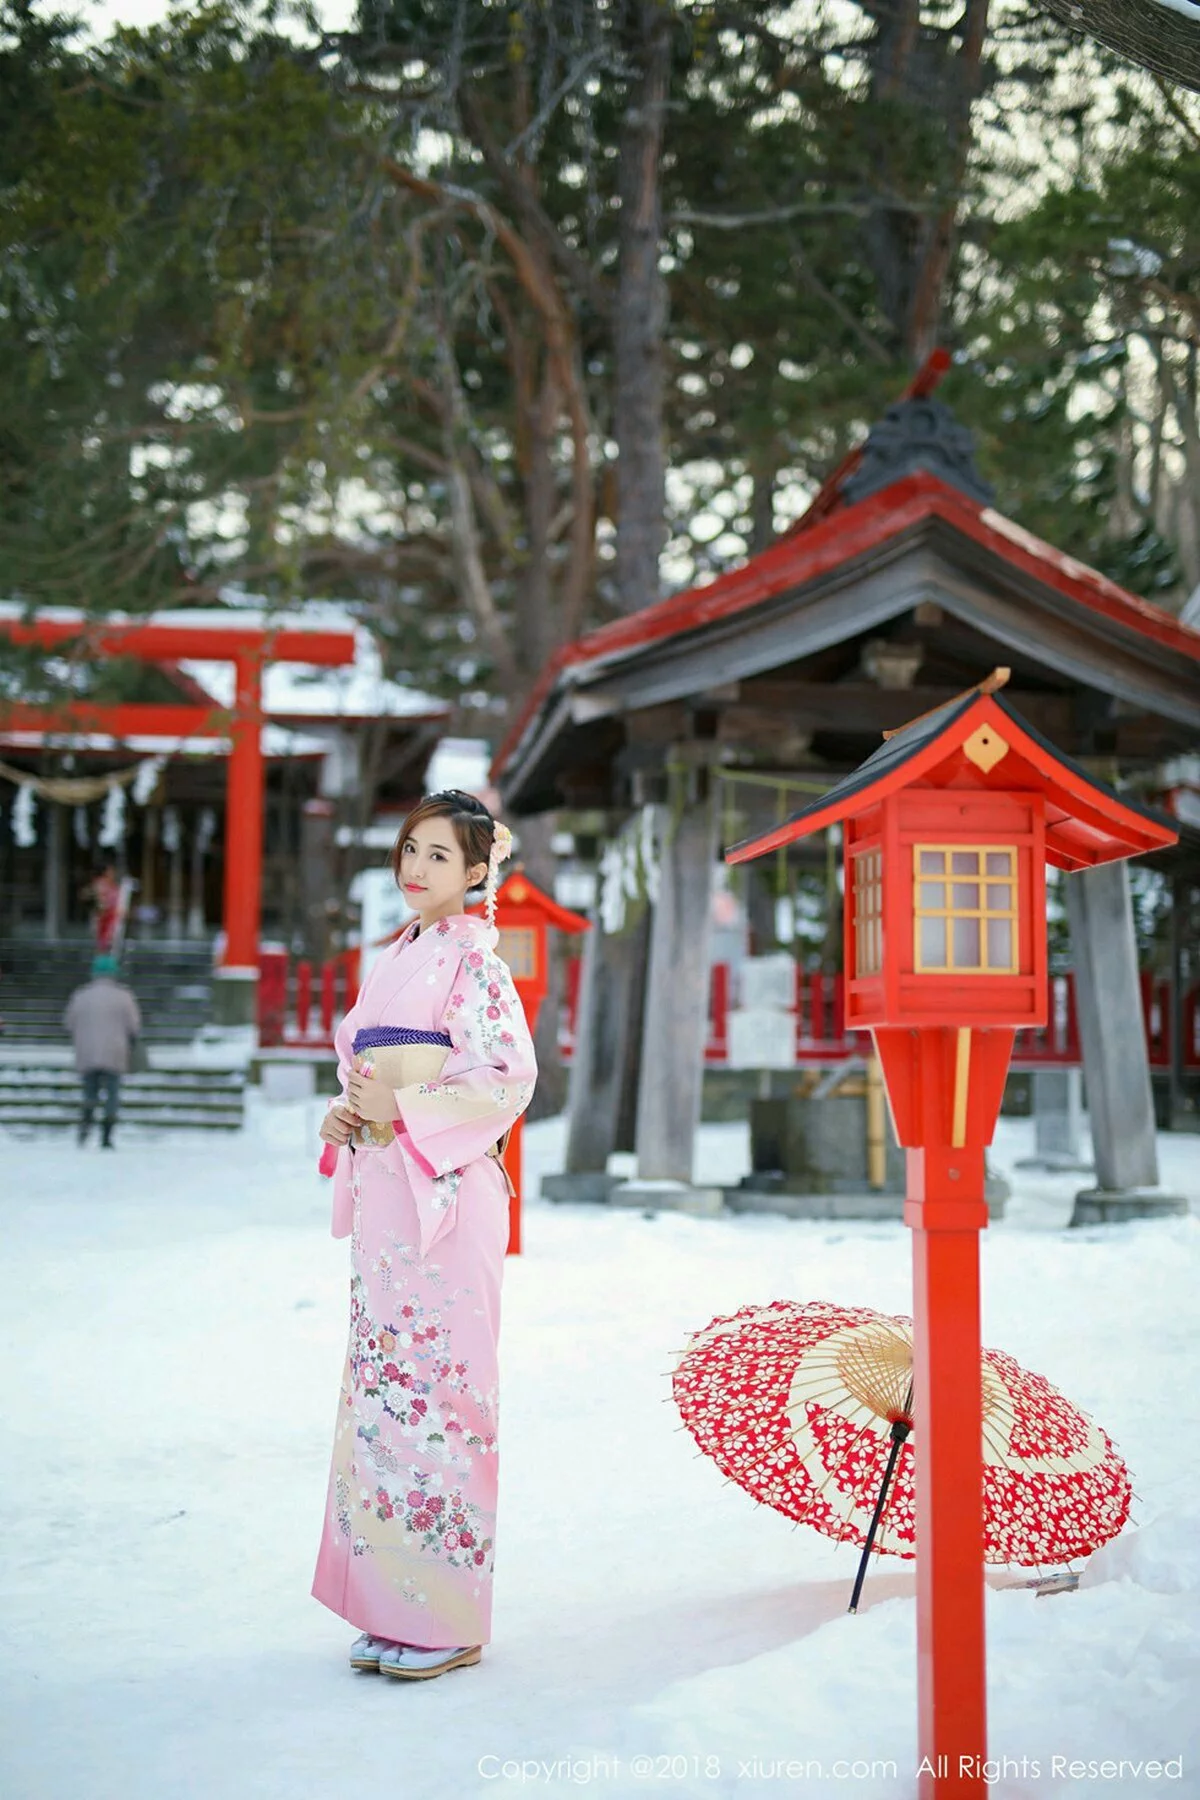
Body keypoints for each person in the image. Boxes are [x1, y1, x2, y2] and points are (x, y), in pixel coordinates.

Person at [312, 790, 537, 1682]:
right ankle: (390, 1604)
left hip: (444, 1195)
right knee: (386, 1395)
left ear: (478, 871)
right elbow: (362, 1066)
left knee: (443, 1395)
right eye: (411, 848)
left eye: (439, 855)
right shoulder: (399, 954)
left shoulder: (477, 963)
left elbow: (507, 1077)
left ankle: (447, 1617)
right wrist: (349, 1113)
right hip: (386, 1191)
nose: (416, 867)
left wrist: (401, 1107)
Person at [63, 954, 142, 1148]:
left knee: (90, 1091)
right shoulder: (124, 996)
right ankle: (107, 1133)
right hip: (115, 1051)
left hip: (87, 1051)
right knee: (112, 1093)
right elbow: (134, 1025)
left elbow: (68, 1023)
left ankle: (85, 1125)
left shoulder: (81, 995)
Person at [82, 861, 122, 954]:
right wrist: (100, 901)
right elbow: (88, 894)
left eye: (113, 871)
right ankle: (100, 958)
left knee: (110, 943)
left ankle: (107, 957)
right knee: (101, 942)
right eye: (110, 871)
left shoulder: (114, 886)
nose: (113, 873)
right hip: (102, 918)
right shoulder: (100, 883)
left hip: (112, 918)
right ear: (105, 872)